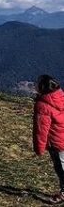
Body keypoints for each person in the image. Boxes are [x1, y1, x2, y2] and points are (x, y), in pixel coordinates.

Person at [33, 74, 64, 204]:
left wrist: (39, 149)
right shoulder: (61, 98)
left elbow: (41, 129)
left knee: (61, 167)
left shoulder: (43, 106)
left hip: (57, 143)